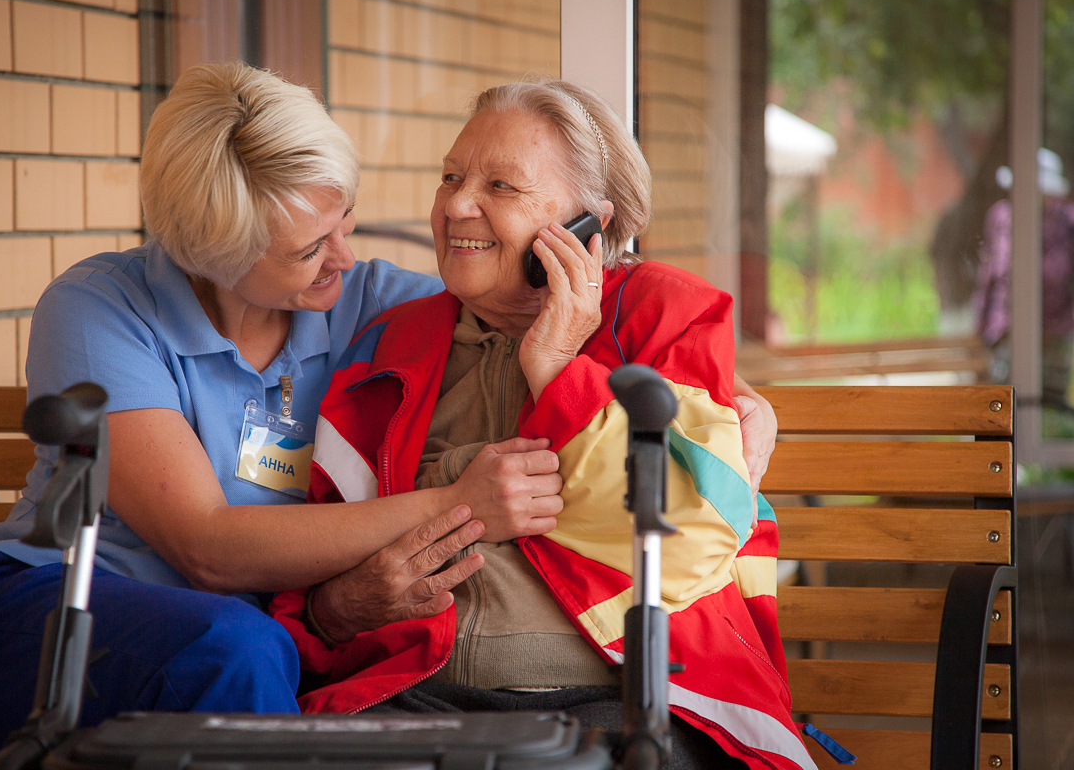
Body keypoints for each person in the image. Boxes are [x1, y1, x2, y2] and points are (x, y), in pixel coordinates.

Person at [0, 63, 779, 770]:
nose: (348, 256)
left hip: (265, 642)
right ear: (213, 258)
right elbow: (205, 547)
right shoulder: (101, 308)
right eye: (308, 250)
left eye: (346, 222)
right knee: (242, 651)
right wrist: (463, 506)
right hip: (71, 612)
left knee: (257, 655)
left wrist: (740, 419)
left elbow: (518, 308)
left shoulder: (371, 304)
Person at [272, 79, 812, 770]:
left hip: (634, 700)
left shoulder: (661, 316)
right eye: (451, 177)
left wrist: (556, 363)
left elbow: (689, 541)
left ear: (592, 222)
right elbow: (325, 569)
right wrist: (338, 608)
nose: (457, 205)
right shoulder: (389, 347)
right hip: (416, 696)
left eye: (501, 185)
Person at [973, 148, 1074, 409]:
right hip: (1007, 327)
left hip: (1054, 327)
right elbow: (990, 271)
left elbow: (1060, 273)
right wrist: (981, 324)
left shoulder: (1066, 220)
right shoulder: (1002, 216)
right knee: (1001, 402)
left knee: (1050, 402)